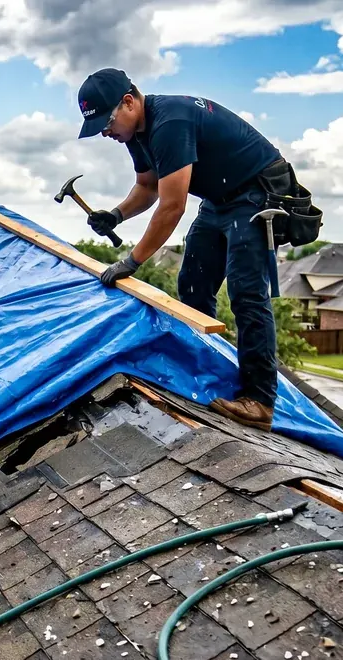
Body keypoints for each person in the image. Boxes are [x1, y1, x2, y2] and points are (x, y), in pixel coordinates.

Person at [75, 67, 293, 431]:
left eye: (106, 122)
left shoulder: (170, 122)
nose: (105, 132)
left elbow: (172, 206)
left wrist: (132, 260)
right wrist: (116, 215)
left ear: (128, 102)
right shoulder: (135, 133)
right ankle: (203, 365)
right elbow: (147, 186)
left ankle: (259, 400)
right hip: (219, 199)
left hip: (255, 193)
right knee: (192, 282)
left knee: (246, 292)